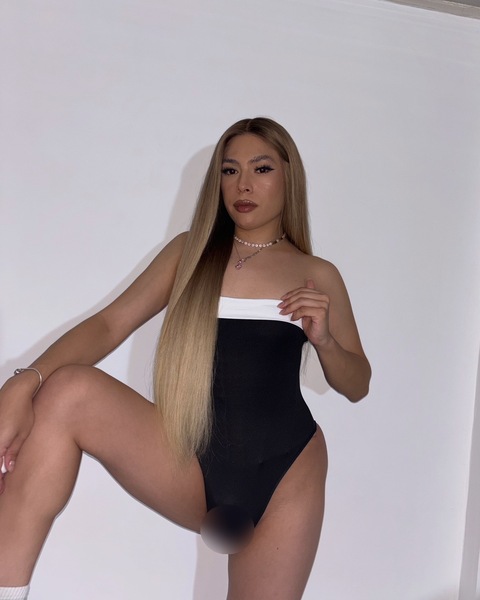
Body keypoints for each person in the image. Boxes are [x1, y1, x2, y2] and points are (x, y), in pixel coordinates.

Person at [0, 117, 371, 600]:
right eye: (230, 170)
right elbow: (110, 324)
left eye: (261, 169)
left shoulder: (317, 273)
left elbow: (357, 383)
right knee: (68, 390)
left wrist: (325, 342)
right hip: (187, 457)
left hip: (287, 471)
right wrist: (23, 382)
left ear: (288, 177)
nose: (243, 184)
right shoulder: (189, 252)